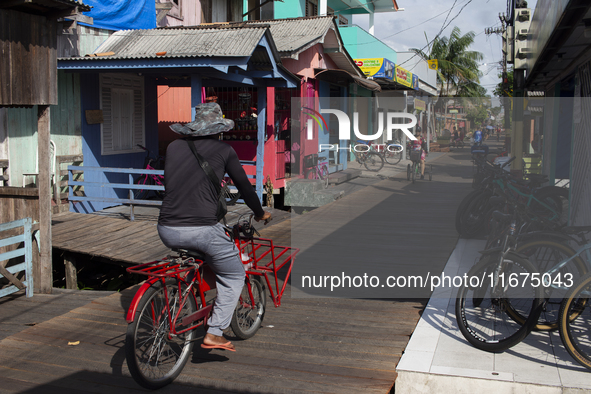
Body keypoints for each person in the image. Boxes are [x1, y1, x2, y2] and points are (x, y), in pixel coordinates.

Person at [158, 102, 271, 352]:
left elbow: (172, 183)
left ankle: (186, 295)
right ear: (218, 128)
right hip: (202, 229)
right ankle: (215, 332)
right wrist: (260, 213)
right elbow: (244, 186)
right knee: (233, 275)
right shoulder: (224, 150)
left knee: (199, 253)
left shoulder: (174, 147)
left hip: (166, 227)